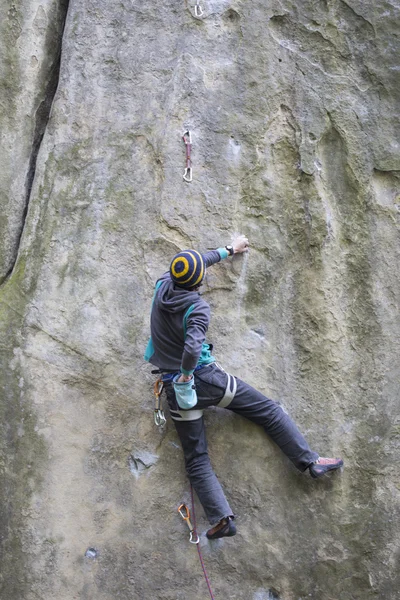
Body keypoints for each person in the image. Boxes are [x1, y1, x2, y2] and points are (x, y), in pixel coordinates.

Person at [144, 235, 343, 539]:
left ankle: (222, 518)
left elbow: (196, 261)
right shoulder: (197, 307)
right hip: (207, 381)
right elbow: (194, 346)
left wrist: (227, 251)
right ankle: (310, 462)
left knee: (196, 458)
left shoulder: (162, 286)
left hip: (176, 392)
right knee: (269, 412)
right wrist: (187, 372)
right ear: (199, 282)